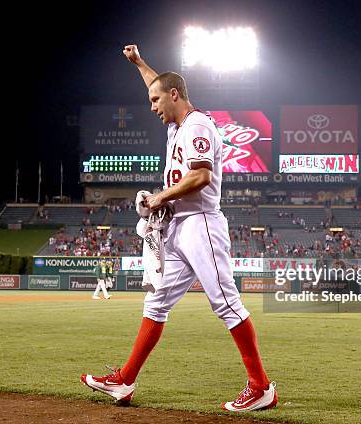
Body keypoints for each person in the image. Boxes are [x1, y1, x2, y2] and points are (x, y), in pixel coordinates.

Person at [81, 44, 277, 412]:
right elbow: (157, 82)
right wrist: (139, 63)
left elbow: (201, 176)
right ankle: (124, 381)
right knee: (155, 303)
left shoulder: (198, 125)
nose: (151, 106)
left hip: (200, 224)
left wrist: (158, 197)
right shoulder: (177, 124)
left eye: (156, 100)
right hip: (179, 228)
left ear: (175, 96)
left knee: (226, 303)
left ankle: (262, 387)